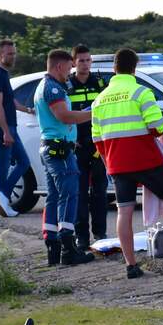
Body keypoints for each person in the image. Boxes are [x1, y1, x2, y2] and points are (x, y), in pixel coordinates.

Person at [92, 48, 163, 278]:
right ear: (134, 68)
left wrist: (110, 164)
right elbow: (157, 127)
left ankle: (131, 265)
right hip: (145, 159)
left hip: (117, 164)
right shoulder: (141, 93)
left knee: (124, 211)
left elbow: (97, 140)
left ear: (114, 68)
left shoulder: (99, 100)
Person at [35, 49, 95, 267]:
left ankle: (53, 247)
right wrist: (93, 113)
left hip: (54, 147)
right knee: (69, 196)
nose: (70, 72)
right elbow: (65, 116)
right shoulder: (52, 88)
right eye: (69, 67)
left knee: (54, 197)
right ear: (59, 66)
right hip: (59, 151)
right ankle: (68, 249)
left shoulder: (48, 86)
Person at [0, 39, 34, 218]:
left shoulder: (3, 75)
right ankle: (1, 198)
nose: (13, 57)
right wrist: (5, 131)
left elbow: (10, 101)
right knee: (5, 164)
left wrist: (29, 110)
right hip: (4, 128)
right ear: (0, 54)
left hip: (9, 126)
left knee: (21, 162)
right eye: (9, 54)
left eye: (14, 53)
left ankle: (1, 200)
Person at [67, 45, 110, 252]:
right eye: (81, 60)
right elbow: (63, 115)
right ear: (73, 63)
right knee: (79, 194)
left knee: (100, 193)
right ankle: (81, 237)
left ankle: (100, 234)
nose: (85, 64)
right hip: (76, 146)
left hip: (97, 146)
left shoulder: (100, 84)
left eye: (88, 60)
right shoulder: (67, 85)